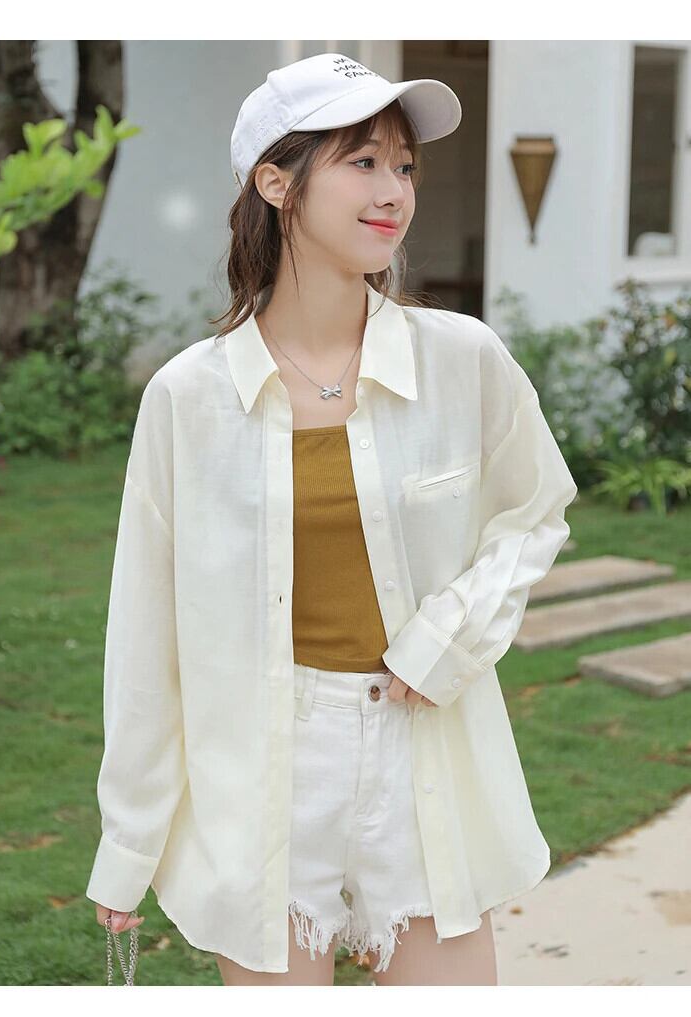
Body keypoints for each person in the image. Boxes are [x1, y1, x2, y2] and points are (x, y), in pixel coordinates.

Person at [86, 52, 578, 986]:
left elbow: (534, 510)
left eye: (405, 166)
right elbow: (146, 631)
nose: (395, 191)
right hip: (263, 775)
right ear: (276, 182)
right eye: (363, 161)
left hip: (424, 751)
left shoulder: (461, 358)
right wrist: (130, 841)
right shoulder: (188, 398)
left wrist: (449, 636)